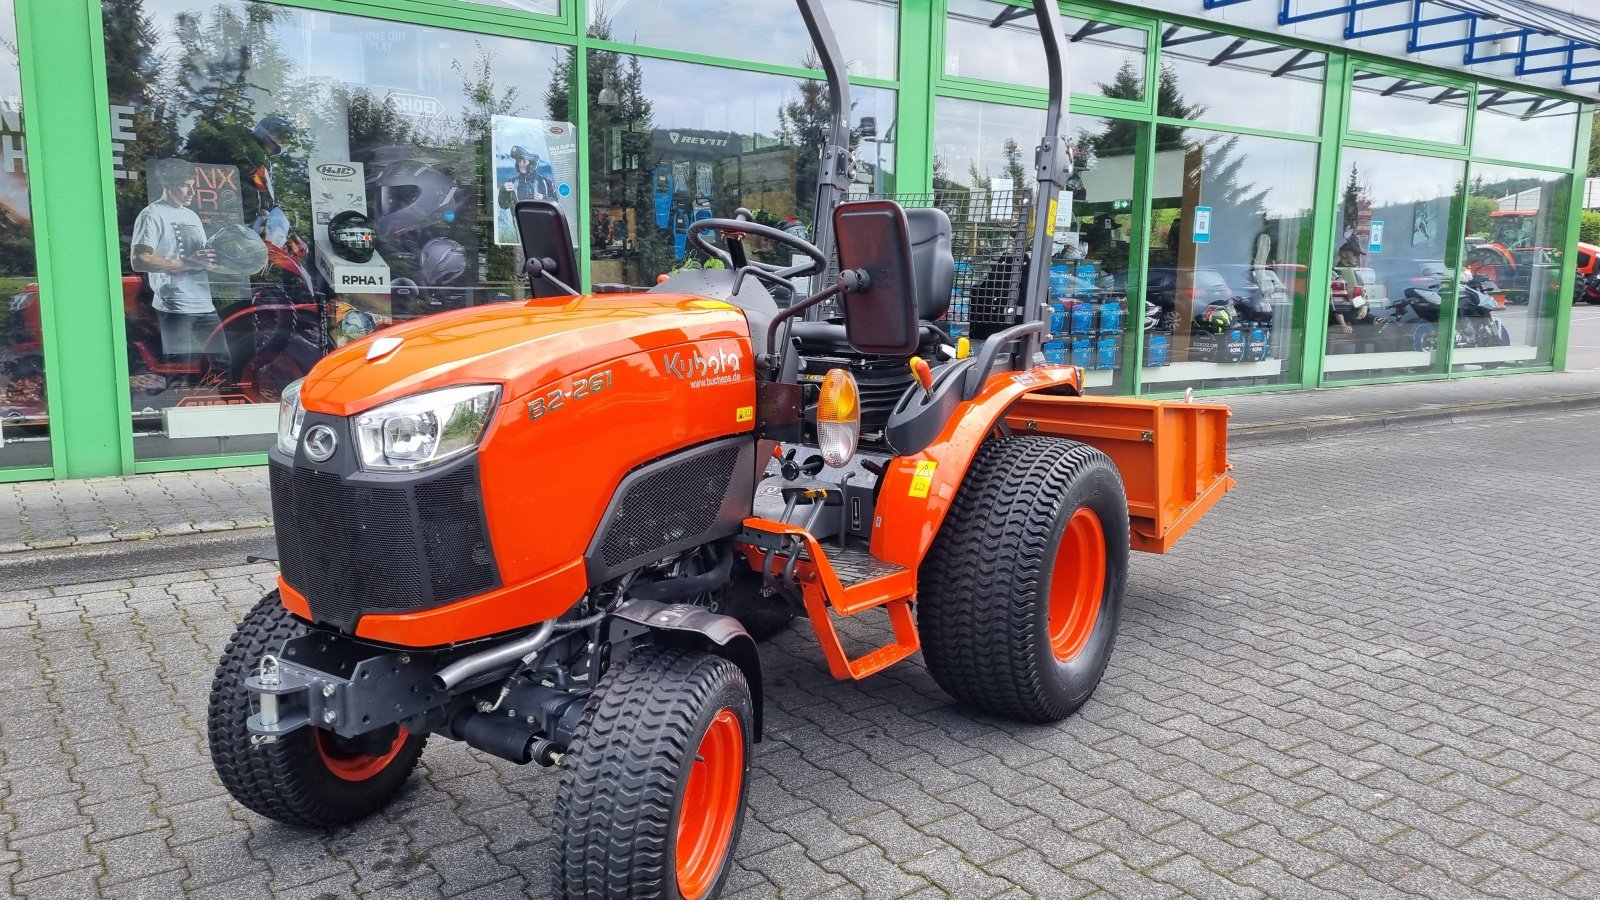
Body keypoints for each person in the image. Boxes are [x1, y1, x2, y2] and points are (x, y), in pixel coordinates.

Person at [131, 158, 226, 365]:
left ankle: (220, 398)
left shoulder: (192, 215)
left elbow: (200, 258)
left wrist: (216, 262)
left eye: (193, 186)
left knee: (222, 363)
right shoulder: (152, 214)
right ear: (167, 185)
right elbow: (140, 260)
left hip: (204, 304)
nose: (192, 192)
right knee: (180, 367)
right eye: (185, 186)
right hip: (175, 305)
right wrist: (185, 263)